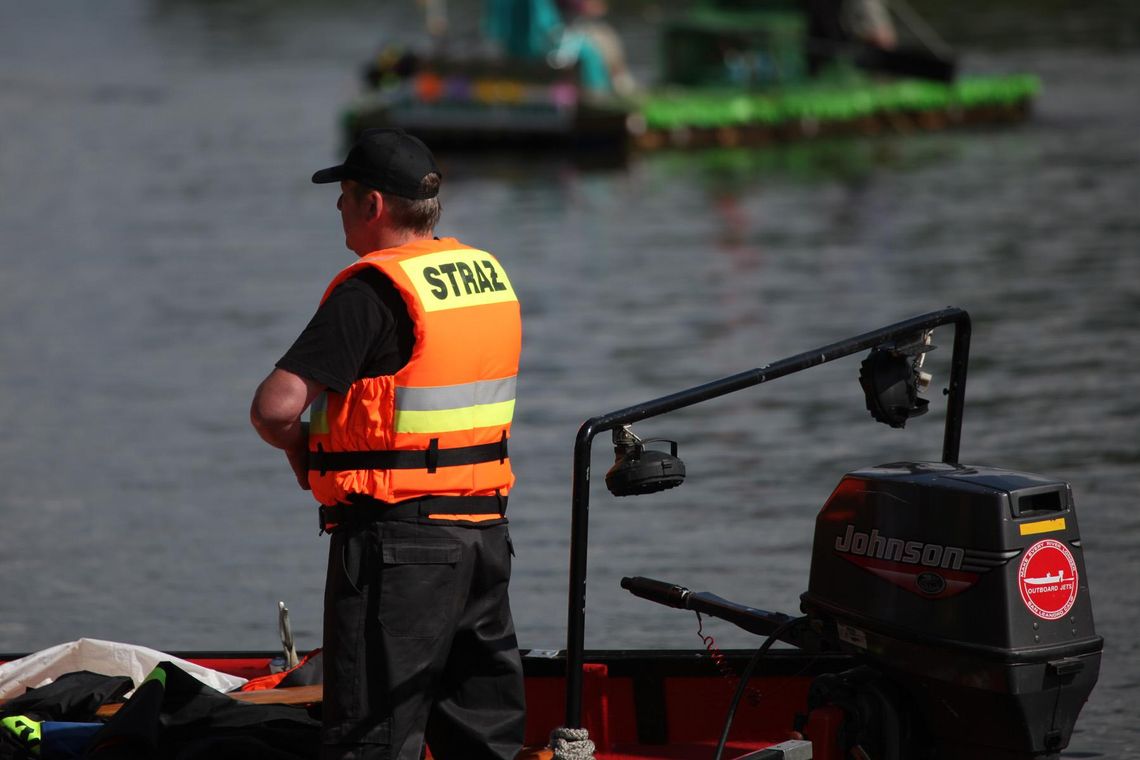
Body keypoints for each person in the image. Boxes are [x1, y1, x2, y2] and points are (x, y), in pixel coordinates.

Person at [250, 128, 526, 760]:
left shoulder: (370, 290)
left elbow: (274, 409)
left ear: (374, 205)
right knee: (482, 737)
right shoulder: (486, 276)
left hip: (398, 547)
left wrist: (301, 450)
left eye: (345, 195)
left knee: (372, 739)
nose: (338, 208)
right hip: (483, 538)